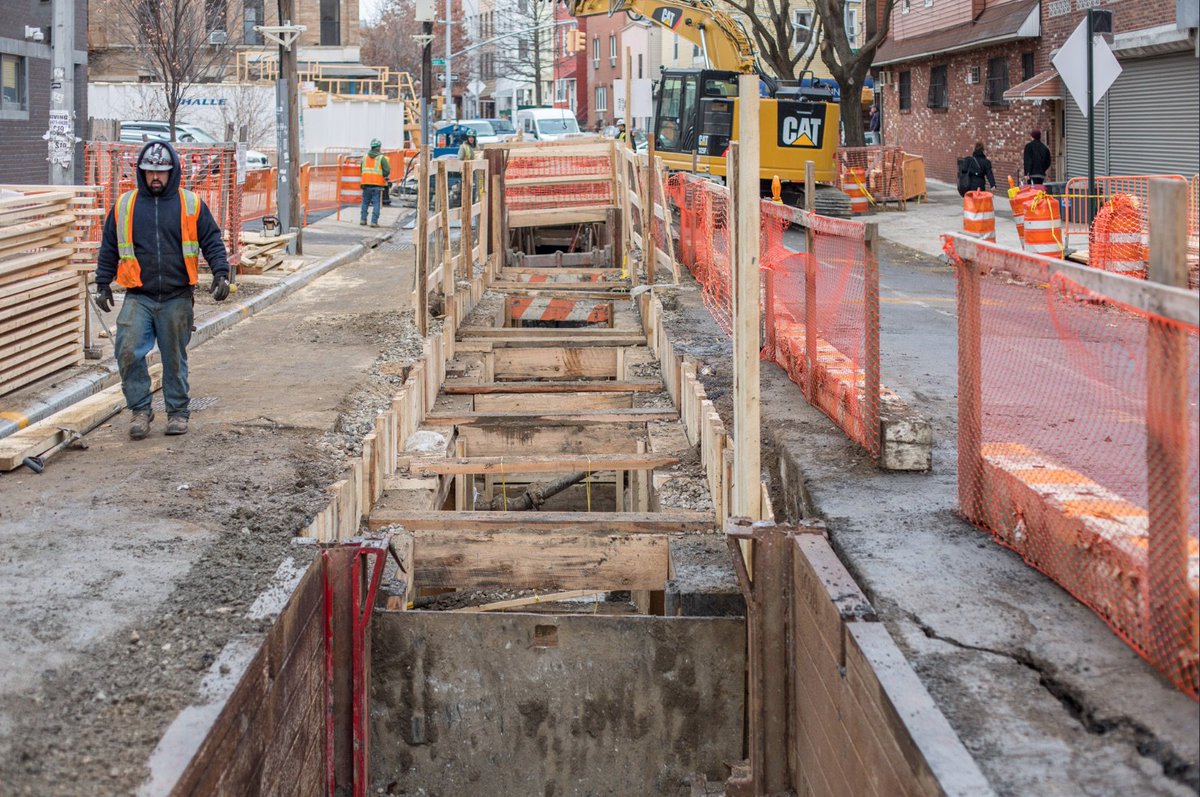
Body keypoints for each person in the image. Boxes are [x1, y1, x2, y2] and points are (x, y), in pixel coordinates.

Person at [94, 141, 231, 439]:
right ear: (141, 172)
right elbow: (109, 247)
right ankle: (140, 410)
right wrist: (102, 283)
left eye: (161, 172)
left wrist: (221, 272)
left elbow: (211, 240)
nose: (155, 177)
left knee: (173, 357)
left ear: (173, 172)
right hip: (138, 295)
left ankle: (178, 412)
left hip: (176, 296)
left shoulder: (191, 204)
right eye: (149, 172)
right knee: (127, 350)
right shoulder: (126, 206)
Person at [360, 139, 390, 227]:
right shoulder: (381, 158)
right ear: (379, 147)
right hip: (377, 184)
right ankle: (374, 222)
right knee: (376, 203)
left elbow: (361, 170)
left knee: (365, 202)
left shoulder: (365, 157)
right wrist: (383, 175)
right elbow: (387, 171)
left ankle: (363, 220)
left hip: (366, 183)